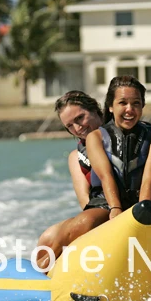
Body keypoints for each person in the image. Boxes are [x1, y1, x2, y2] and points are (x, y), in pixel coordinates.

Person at [36, 91, 111, 269]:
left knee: (82, 223)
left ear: (96, 110)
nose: (77, 128)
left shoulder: (121, 138)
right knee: (47, 237)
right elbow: (85, 201)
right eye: (70, 125)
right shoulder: (76, 157)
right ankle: (44, 274)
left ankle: (43, 269)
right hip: (100, 211)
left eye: (80, 118)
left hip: (129, 208)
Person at [84, 76, 151, 222]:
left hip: (145, 204)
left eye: (136, 103)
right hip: (106, 204)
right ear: (110, 106)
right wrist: (115, 208)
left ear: (142, 106)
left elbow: (148, 181)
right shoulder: (95, 137)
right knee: (78, 224)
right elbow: (106, 176)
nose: (129, 109)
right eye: (122, 103)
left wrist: (142, 213)